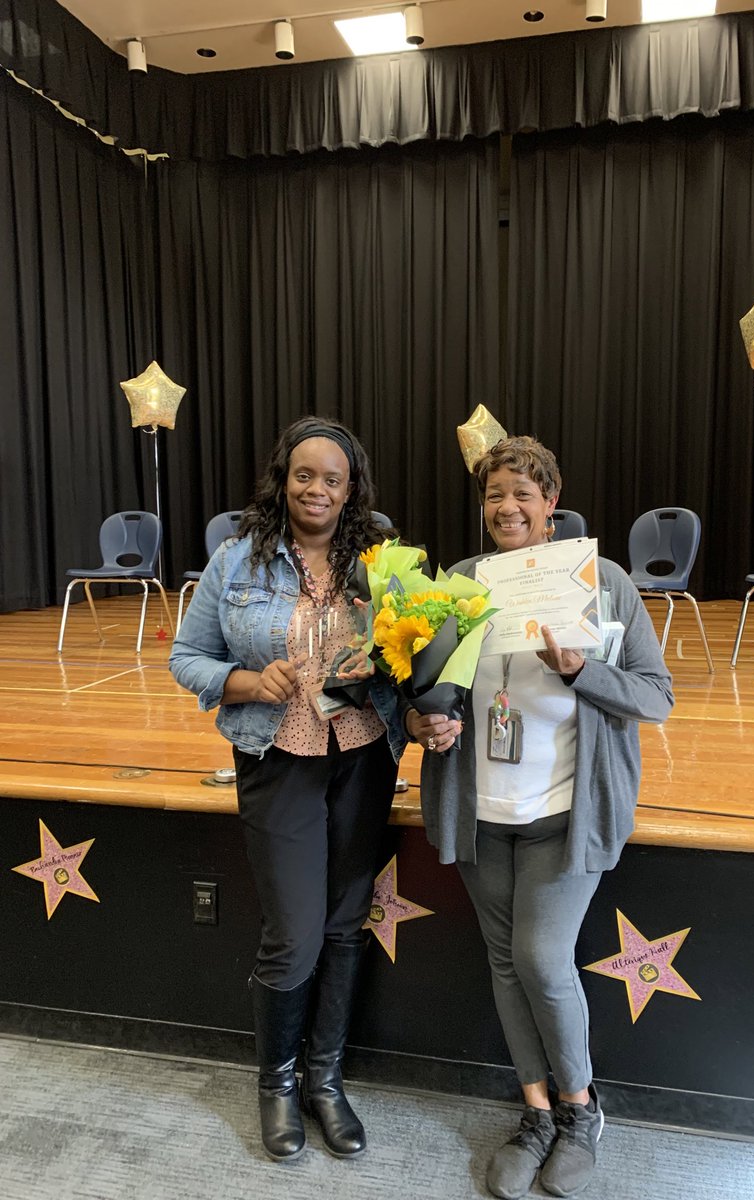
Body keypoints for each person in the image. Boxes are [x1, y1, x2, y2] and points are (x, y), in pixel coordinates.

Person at [416, 436, 674, 1200]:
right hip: (481, 810)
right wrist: (424, 723)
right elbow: (428, 691)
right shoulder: (460, 584)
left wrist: (579, 669)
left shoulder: (604, 583)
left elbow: (655, 695)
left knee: (538, 956)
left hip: (569, 810)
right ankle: (534, 1113)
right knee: (505, 960)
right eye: (495, 493)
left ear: (550, 504)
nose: (507, 507)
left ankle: (581, 1108)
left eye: (523, 494)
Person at [169, 416, 415, 1165]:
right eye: (304, 475)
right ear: (284, 479)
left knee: (345, 923)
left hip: (364, 753)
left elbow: (417, 650)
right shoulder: (237, 560)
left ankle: (325, 1080)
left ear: (351, 489)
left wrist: (430, 707)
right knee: (296, 933)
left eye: (332, 479)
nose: (317, 489)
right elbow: (188, 656)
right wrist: (247, 681)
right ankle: (275, 1082)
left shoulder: (380, 558)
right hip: (278, 754)